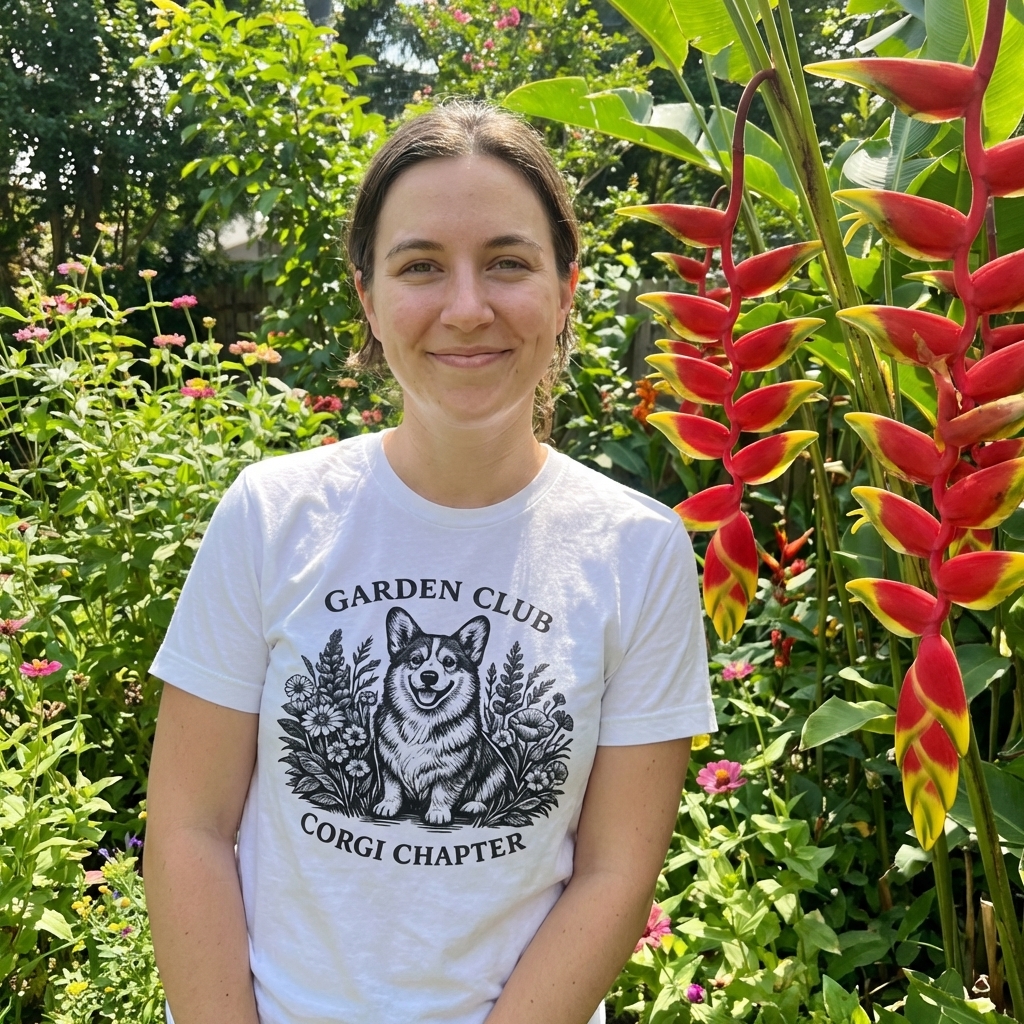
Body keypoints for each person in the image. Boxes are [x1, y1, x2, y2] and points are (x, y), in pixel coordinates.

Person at [144, 100, 715, 1024]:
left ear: (565, 289)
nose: (467, 308)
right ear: (369, 298)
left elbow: (614, 872)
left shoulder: (638, 552)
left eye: (508, 263)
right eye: (420, 266)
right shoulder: (271, 515)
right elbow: (188, 826)